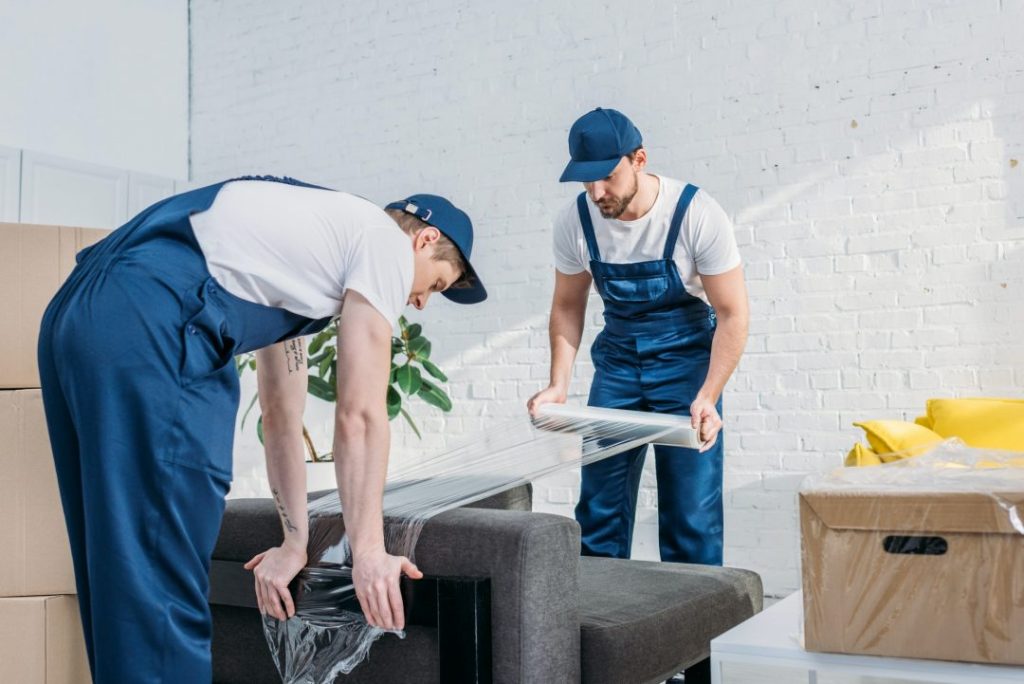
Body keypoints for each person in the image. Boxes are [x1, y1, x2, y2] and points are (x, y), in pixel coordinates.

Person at [37, 176, 486, 682]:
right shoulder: (383, 240)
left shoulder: (306, 247)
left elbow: (280, 416)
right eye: (438, 283)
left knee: (121, 567)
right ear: (423, 239)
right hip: (154, 319)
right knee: (161, 578)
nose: (423, 302)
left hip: (80, 312)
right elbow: (359, 415)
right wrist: (370, 554)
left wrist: (295, 543)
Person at [528, 108, 749, 565]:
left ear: (639, 159)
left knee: (691, 515)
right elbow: (568, 305)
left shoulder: (695, 214)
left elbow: (732, 314)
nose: (596, 192)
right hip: (619, 366)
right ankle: (596, 621)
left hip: (688, 368)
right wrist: (558, 384)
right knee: (598, 510)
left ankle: (694, 631)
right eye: (585, 181)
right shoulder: (576, 221)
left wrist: (709, 395)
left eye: (606, 177)